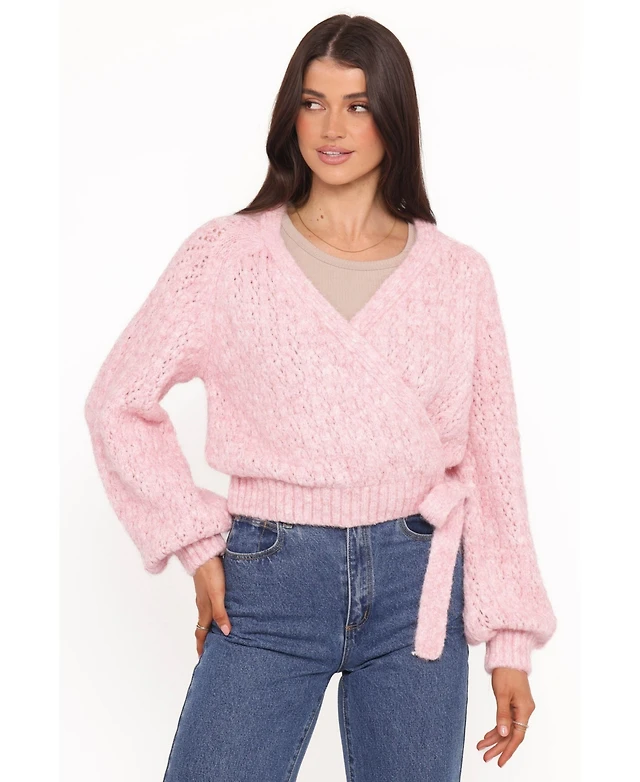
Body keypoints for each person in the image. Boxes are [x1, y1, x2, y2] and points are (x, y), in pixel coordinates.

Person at [84, 14, 557, 782]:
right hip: (269, 579)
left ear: (392, 118)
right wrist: (195, 543)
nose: (332, 128)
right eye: (313, 103)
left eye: (357, 105)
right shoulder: (226, 255)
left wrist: (510, 641)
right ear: (291, 114)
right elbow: (119, 400)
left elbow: (490, 459)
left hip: (417, 590)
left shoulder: (458, 275)